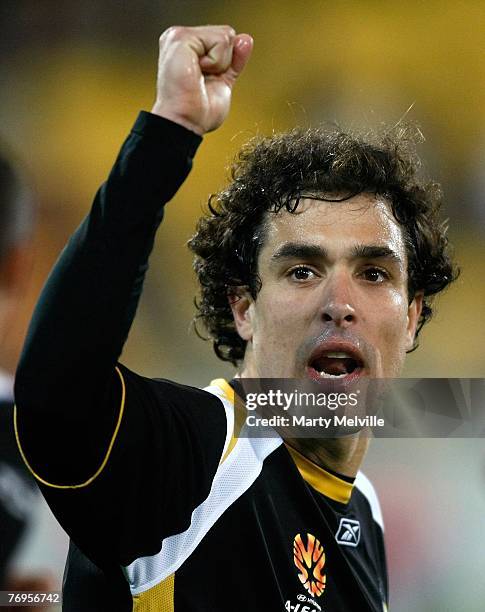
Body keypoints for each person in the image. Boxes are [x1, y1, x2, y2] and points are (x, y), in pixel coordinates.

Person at [14, 25, 457, 612]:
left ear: (411, 317)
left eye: (374, 273)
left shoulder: (365, 517)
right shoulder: (192, 456)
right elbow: (55, 401)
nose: (339, 301)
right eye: (302, 270)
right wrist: (166, 136)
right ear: (243, 307)